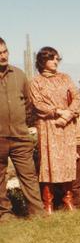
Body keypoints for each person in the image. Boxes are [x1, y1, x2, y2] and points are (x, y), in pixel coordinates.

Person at [29, 46, 80, 214]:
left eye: (57, 59)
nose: (56, 62)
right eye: (52, 59)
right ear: (43, 61)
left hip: (67, 126)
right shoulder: (35, 81)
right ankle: (48, 203)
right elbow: (37, 104)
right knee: (48, 162)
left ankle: (68, 199)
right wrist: (58, 111)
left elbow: (76, 98)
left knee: (67, 161)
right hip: (47, 126)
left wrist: (66, 116)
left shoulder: (65, 78)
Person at [0, 37, 45, 219]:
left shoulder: (19, 75)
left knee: (29, 176)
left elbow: (27, 103)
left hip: (20, 136)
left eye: (5, 52)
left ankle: (37, 213)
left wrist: (22, 125)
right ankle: (4, 214)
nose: (3, 56)